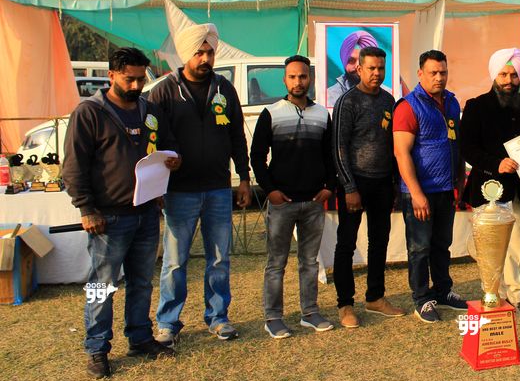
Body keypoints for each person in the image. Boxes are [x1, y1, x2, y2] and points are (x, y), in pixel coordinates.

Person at [62, 47, 181, 378]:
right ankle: (97, 348)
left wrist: (172, 160)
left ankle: (140, 338)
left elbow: (168, 146)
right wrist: (87, 208)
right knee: (102, 285)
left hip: (146, 211)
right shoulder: (90, 113)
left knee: (141, 281)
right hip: (107, 217)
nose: (136, 86)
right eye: (129, 79)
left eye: (141, 79)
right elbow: (73, 166)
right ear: (111, 75)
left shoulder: (149, 110)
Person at [149, 24, 252, 344]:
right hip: (179, 190)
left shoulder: (224, 88)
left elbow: (237, 136)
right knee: (175, 261)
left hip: (218, 188)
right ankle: (168, 322)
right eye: (199, 52)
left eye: (210, 52)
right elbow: (152, 141)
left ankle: (218, 317)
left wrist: (244, 178)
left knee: (219, 258)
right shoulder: (164, 91)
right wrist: (156, 184)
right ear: (186, 54)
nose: (206, 58)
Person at [250, 55, 337, 338]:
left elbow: (331, 156)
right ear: (285, 80)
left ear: (310, 78)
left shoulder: (322, 114)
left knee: (309, 262)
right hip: (282, 203)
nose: (298, 81)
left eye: (302, 76)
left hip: (313, 202)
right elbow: (257, 157)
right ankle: (273, 317)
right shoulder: (271, 113)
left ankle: (310, 313)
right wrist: (271, 191)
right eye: (292, 77)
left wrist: (330, 187)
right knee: (276, 263)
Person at [460, 48, 520, 318]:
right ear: (494, 75)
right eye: (503, 74)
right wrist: (496, 163)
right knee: (490, 248)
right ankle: (493, 295)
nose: (509, 80)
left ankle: (517, 296)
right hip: (488, 189)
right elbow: (467, 148)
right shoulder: (476, 106)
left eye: (514, 75)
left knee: (518, 246)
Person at [332, 46, 405, 328]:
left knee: (379, 241)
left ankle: (375, 297)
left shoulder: (388, 100)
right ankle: (345, 304)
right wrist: (349, 187)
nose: (376, 73)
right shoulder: (347, 101)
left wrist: (394, 184)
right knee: (346, 244)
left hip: (382, 182)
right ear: (359, 69)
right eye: (371, 68)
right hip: (355, 183)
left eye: (381, 68)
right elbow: (338, 147)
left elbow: (392, 145)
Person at [393, 50, 468, 323]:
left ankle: (443, 291)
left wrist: (459, 178)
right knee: (419, 248)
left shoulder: (452, 102)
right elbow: (401, 153)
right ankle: (422, 299)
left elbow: (455, 143)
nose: (439, 77)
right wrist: (416, 194)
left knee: (442, 245)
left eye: (443, 72)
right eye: (433, 73)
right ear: (420, 74)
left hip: (445, 189)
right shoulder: (408, 106)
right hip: (419, 192)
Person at [326, 30, 380, 108]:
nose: (357, 66)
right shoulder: (330, 96)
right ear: (344, 62)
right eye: (351, 60)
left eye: (363, 61)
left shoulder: (388, 96)